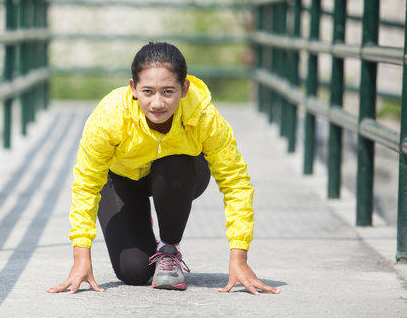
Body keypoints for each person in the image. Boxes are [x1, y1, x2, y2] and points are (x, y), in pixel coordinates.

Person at [48, 42, 279, 295]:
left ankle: (169, 248)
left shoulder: (204, 117)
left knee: (175, 162)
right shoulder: (110, 116)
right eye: (148, 91)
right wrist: (81, 257)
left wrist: (239, 259)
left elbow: (236, 183)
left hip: (179, 176)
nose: (157, 103)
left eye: (168, 91)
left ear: (184, 88)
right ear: (133, 88)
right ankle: (141, 219)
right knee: (135, 273)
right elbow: (86, 184)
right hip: (123, 178)